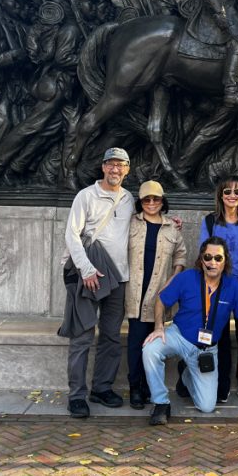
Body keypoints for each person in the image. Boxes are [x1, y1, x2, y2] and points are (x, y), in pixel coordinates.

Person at [142, 237, 238, 424]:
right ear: (201, 259)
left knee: (207, 407)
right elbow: (161, 300)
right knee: (150, 349)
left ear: (225, 261)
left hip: (206, 349)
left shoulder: (233, 286)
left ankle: (186, 375)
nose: (212, 262)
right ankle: (161, 403)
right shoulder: (186, 278)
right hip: (180, 335)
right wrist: (159, 326)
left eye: (218, 258)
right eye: (208, 257)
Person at [59, 148, 134, 418]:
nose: (115, 170)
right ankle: (76, 395)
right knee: (82, 337)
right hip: (88, 275)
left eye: (121, 166)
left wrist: (170, 222)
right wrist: (87, 270)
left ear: (127, 170)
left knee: (111, 337)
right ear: (103, 167)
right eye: (111, 165)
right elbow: (72, 234)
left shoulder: (128, 199)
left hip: (118, 279)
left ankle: (101, 388)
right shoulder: (86, 196)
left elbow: (141, 224)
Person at [125, 180, 187, 410]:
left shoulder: (172, 228)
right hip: (135, 292)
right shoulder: (130, 223)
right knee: (135, 342)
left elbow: (181, 255)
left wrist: (173, 279)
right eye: (146, 199)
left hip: (159, 294)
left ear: (163, 201)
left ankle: (152, 388)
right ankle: (135, 388)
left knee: (154, 344)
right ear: (140, 203)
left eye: (156, 199)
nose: (151, 203)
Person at [199, 176, 238, 403]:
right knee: (220, 335)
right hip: (218, 285)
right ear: (221, 196)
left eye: (237, 192)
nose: (232, 196)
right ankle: (222, 386)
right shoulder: (209, 221)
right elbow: (203, 252)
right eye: (227, 192)